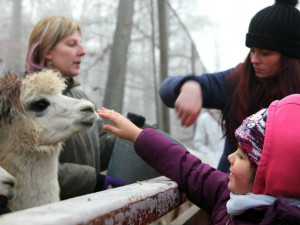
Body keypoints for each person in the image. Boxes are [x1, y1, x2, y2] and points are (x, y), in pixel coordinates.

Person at [97, 93, 300, 224]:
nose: (230, 157)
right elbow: (190, 169)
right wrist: (137, 135)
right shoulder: (230, 197)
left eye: (240, 156)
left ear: (268, 177)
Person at [159, 0, 300, 173]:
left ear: (291, 59)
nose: (255, 59)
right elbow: (166, 90)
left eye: (265, 53)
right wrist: (190, 85)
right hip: (228, 193)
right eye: (252, 51)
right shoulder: (238, 81)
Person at [25, 16, 124, 199]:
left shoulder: (81, 98)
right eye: (72, 44)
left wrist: (127, 137)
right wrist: (90, 181)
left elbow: (97, 151)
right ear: (47, 51)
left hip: (85, 209)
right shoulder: (27, 103)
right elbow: (22, 167)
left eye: (81, 43)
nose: (83, 51)